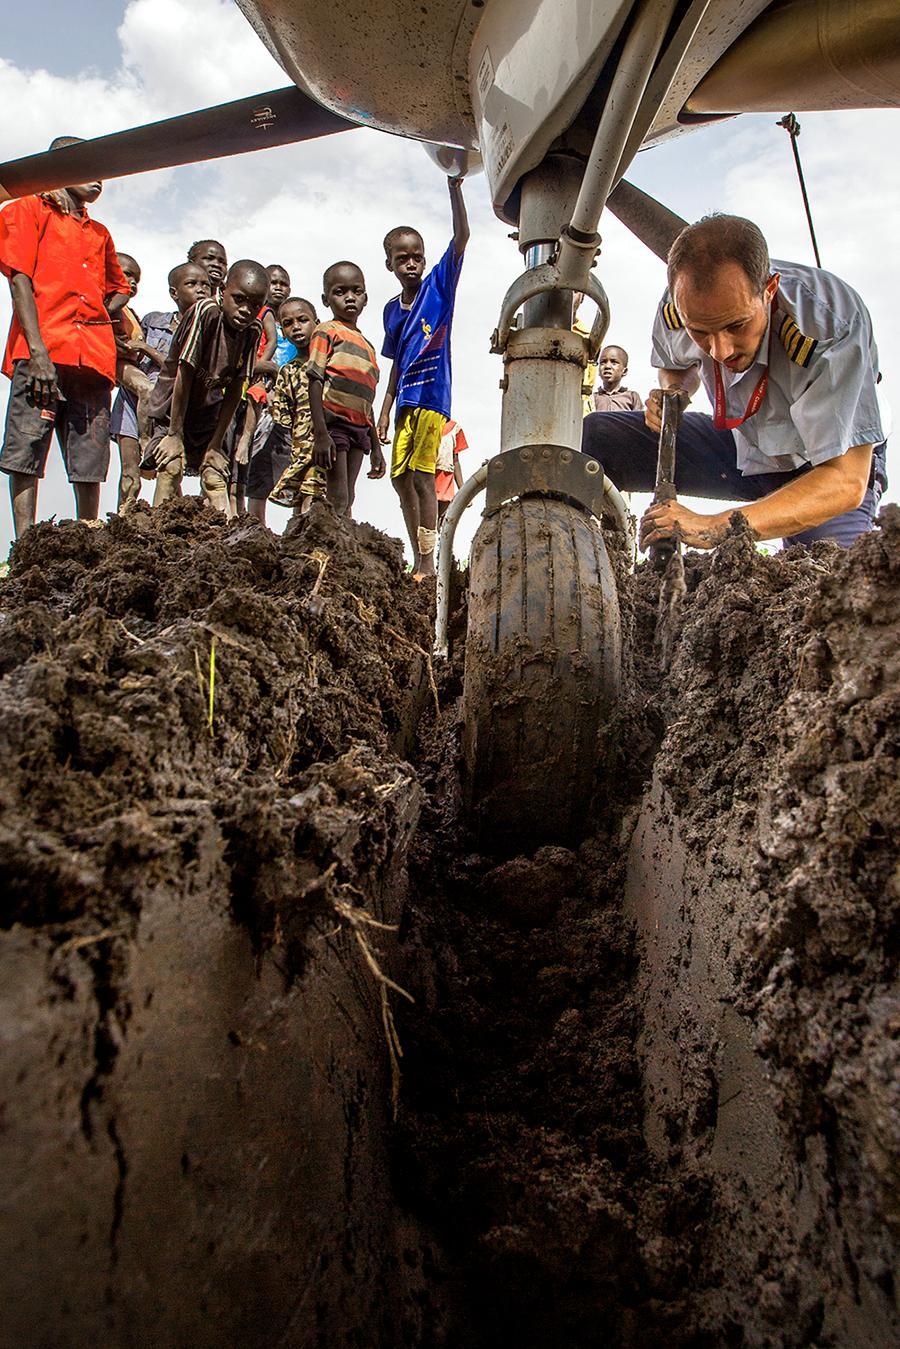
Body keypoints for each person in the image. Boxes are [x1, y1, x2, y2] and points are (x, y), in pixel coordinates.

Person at [582, 214, 887, 551]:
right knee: (596, 436)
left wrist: (715, 526)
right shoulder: (678, 306)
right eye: (700, 332)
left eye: (736, 326)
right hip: (742, 445)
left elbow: (845, 480)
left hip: (822, 462)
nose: (720, 350)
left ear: (769, 291)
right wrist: (675, 392)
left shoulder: (829, 323)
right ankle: (595, 566)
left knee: (834, 582)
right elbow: (676, 365)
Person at [0, 136, 131, 537]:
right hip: (43, 350)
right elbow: (19, 278)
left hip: (92, 357)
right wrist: (37, 351)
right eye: (87, 168)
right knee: (27, 448)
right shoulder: (27, 209)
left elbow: (120, 286)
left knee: (89, 455)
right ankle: (23, 546)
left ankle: (87, 538)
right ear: (59, 166)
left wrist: (96, 317)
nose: (98, 180)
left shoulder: (99, 232)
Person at [377, 176, 469, 578]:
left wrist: (454, 187)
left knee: (423, 475)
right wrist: (384, 411)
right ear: (391, 264)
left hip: (433, 398)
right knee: (400, 480)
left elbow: (462, 236)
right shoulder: (391, 310)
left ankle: (427, 562)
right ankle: (420, 551)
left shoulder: (439, 285)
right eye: (403, 258)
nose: (411, 263)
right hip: (404, 404)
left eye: (417, 256)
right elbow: (395, 362)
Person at [146, 259, 268, 515]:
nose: (246, 310)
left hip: (207, 411)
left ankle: (225, 540)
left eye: (255, 305)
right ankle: (154, 534)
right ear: (222, 290)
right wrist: (174, 434)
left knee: (215, 474)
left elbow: (235, 388)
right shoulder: (205, 312)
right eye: (239, 299)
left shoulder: (252, 330)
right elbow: (185, 374)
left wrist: (215, 444)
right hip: (172, 408)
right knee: (170, 468)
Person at [111, 261, 212, 507]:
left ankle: (163, 525)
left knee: (169, 470)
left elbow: (186, 368)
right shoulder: (153, 320)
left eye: (205, 285)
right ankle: (121, 524)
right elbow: (133, 353)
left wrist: (148, 349)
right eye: (192, 284)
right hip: (134, 402)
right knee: (129, 474)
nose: (200, 290)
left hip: (170, 407)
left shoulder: (211, 330)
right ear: (173, 293)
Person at [307, 261, 385, 517]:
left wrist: (376, 447)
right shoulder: (326, 332)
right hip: (334, 425)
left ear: (365, 297)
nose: (349, 298)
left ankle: (341, 545)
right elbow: (315, 380)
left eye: (356, 291)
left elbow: (367, 401)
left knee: (348, 495)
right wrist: (320, 433)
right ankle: (326, 551)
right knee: (337, 495)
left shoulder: (368, 346)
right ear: (326, 299)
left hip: (359, 428)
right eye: (340, 292)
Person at [268, 298, 326, 511]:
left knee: (321, 498)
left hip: (327, 447)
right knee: (302, 500)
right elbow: (282, 418)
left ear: (317, 323)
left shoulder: (329, 365)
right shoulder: (288, 372)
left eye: (303, 320)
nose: (296, 328)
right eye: (288, 324)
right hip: (300, 450)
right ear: (282, 331)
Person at [592, 346, 643, 413]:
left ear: (624, 371)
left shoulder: (632, 397)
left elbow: (639, 420)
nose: (607, 366)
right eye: (603, 362)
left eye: (614, 362)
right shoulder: (593, 398)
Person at [435, 417, 468, 523]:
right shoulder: (420, 423)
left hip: (445, 478)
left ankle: (439, 539)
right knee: (426, 519)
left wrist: (463, 491)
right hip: (426, 477)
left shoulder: (455, 428)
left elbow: (455, 460)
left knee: (443, 520)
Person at [573, 293, 599, 418]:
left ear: (582, 296)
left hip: (578, 412)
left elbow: (589, 382)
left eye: (574, 292)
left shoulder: (589, 337)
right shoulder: (525, 333)